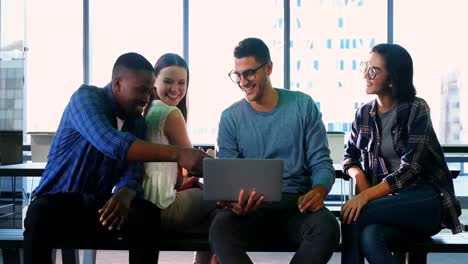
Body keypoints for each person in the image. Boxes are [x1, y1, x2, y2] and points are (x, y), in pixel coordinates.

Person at [23, 52, 209, 264]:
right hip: (58, 203)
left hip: (96, 206)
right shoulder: (86, 99)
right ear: (118, 83)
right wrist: (179, 153)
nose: (146, 98)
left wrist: (124, 193)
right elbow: (111, 143)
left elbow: (132, 173)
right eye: (141, 90)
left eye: (150, 91)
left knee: (145, 213)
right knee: (39, 211)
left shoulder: (137, 122)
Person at [208, 37, 340, 264]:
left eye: (249, 73)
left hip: (296, 207)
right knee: (220, 228)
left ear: (269, 67)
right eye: (237, 75)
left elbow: (321, 163)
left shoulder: (302, 105)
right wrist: (234, 202)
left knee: (327, 227)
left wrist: (319, 190)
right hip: (251, 211)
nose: (243, 82)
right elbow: (228, 177)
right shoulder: (230, 118)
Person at [340, 43, 462, 264]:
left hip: (425, 201)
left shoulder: (416, 109)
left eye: (374, 70)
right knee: (370, 236)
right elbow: (349, 157)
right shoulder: (363, 114)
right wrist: (358, 176)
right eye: (366, 66)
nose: (366, 74)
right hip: (387, 205)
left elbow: (410, 170)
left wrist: (365, 197)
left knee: (352, 215)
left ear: (392, 79)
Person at [143, 53, 216, 264]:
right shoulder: (171, 114)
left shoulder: (145, 110)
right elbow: (194, 166)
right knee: (219, 201)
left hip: (142, 207)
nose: (175, 89)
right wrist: (211, 156)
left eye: (181, 83)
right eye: (168, 81)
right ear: (154, 80)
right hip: (163, 209)